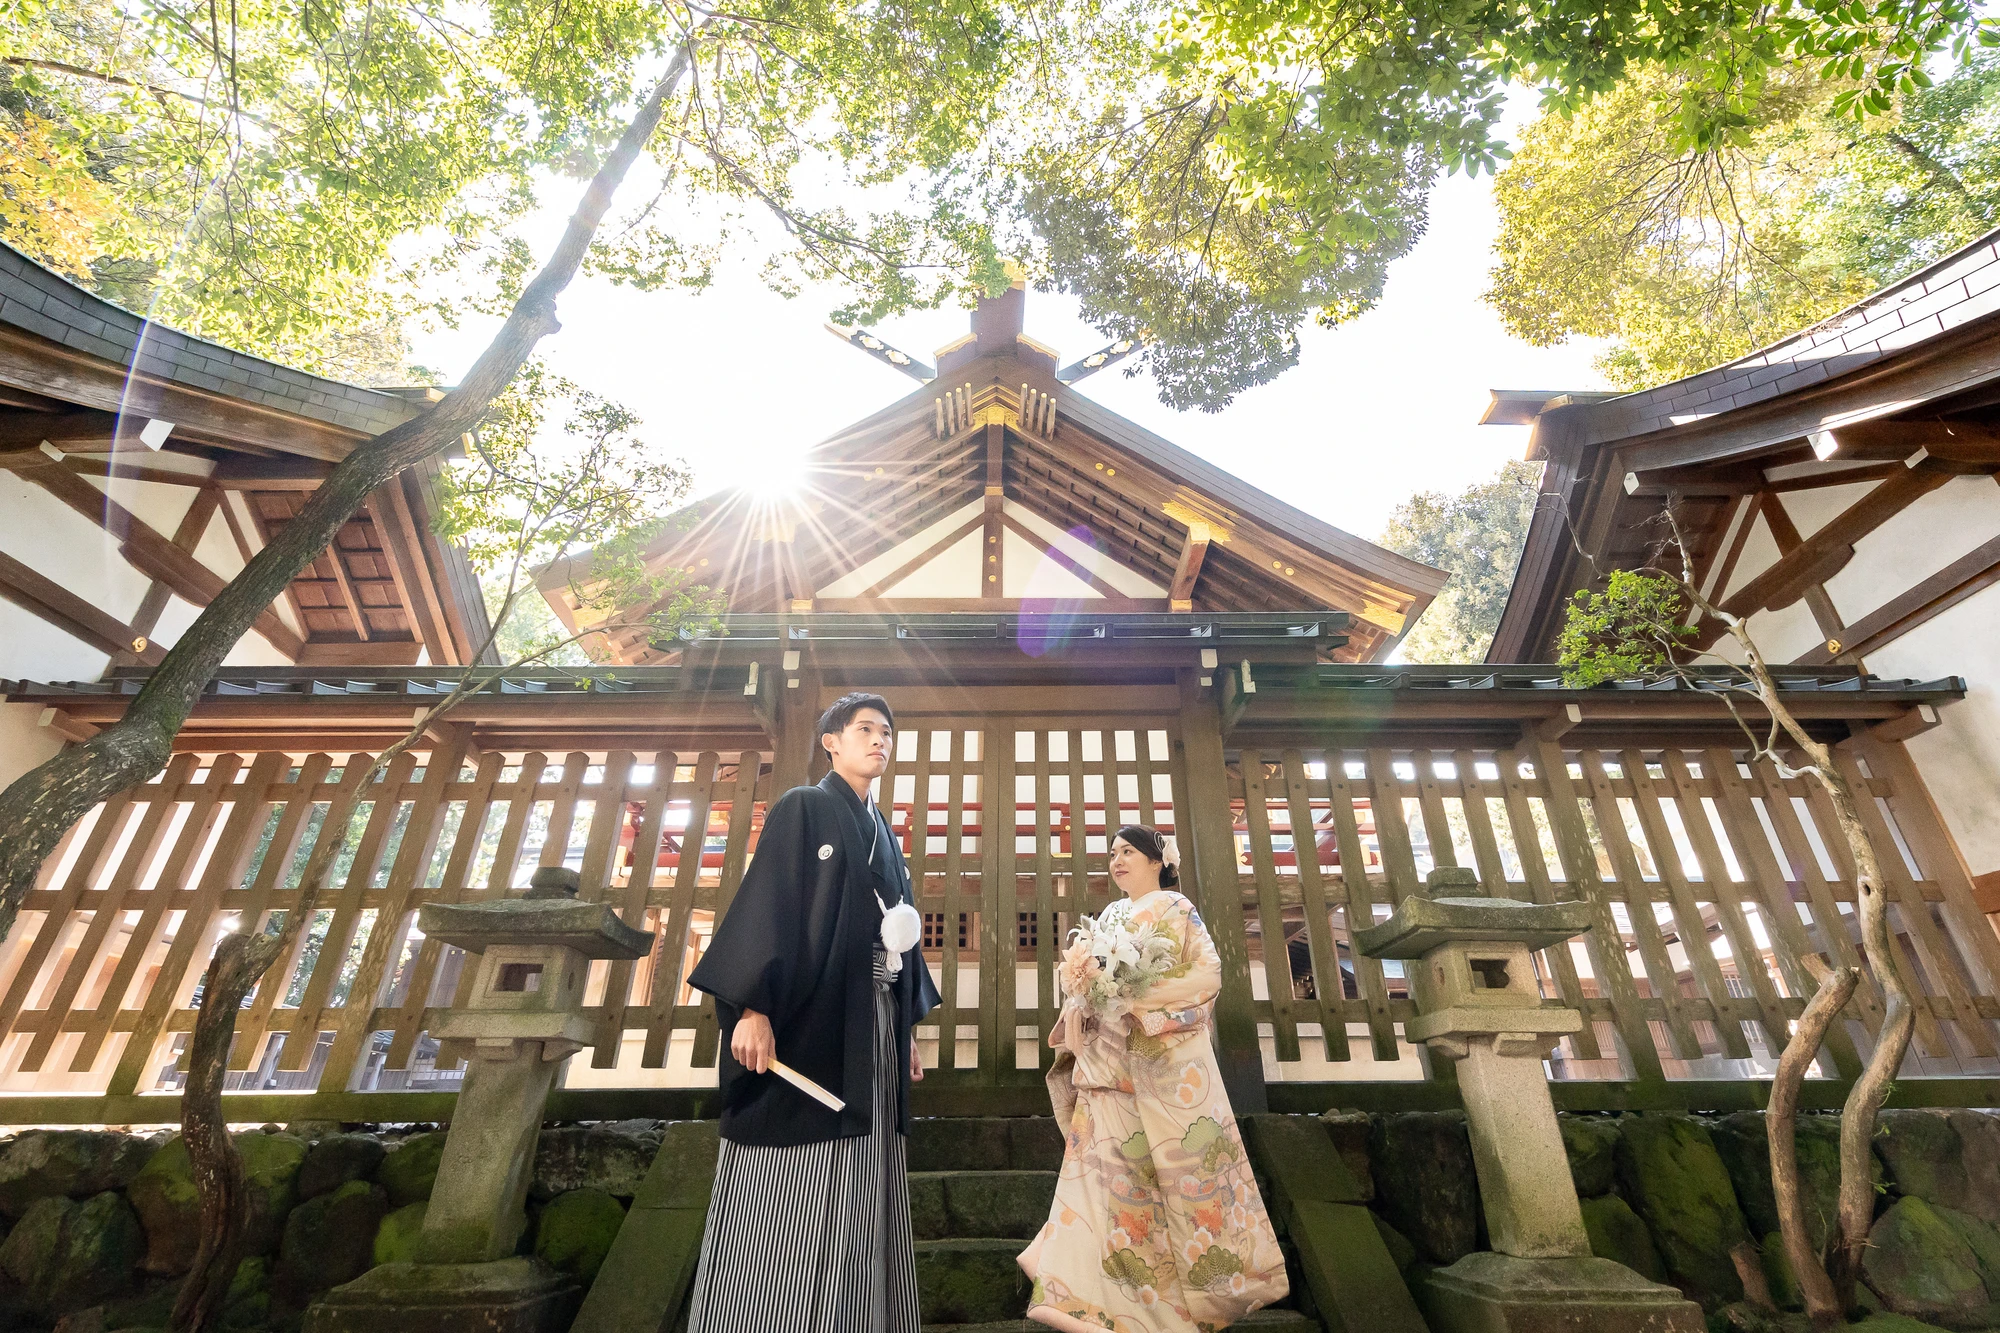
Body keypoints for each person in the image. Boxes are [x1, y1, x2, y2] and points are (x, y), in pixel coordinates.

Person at [685, 692, 941, 1333]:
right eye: (864, 729)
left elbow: (899, 936)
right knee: (795, 1163)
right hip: (810, 1016)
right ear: (830, 741)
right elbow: (771, 900)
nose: (879, 740)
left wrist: (904, 1024)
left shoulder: (884, 831)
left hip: (873, 1020)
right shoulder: (805, 807)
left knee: (871, 1160)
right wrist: (751, 1005)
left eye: (887, 731)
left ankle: (866, 1314)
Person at [1018, 825, 1287, 1333]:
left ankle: (1168, 1307)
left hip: (1157, 1060)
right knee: (1099, 1176)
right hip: (1107, 1061)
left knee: (1161, 1181)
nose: (1117, 861)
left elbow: (1207, 976)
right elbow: (1088, 984)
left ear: (1157, 861)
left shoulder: (1177, 909)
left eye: (1128, 852)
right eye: (1113, 853)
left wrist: (1134, 994)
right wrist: (1082, 1002)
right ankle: (1078, 1295)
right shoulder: (1111, 914)